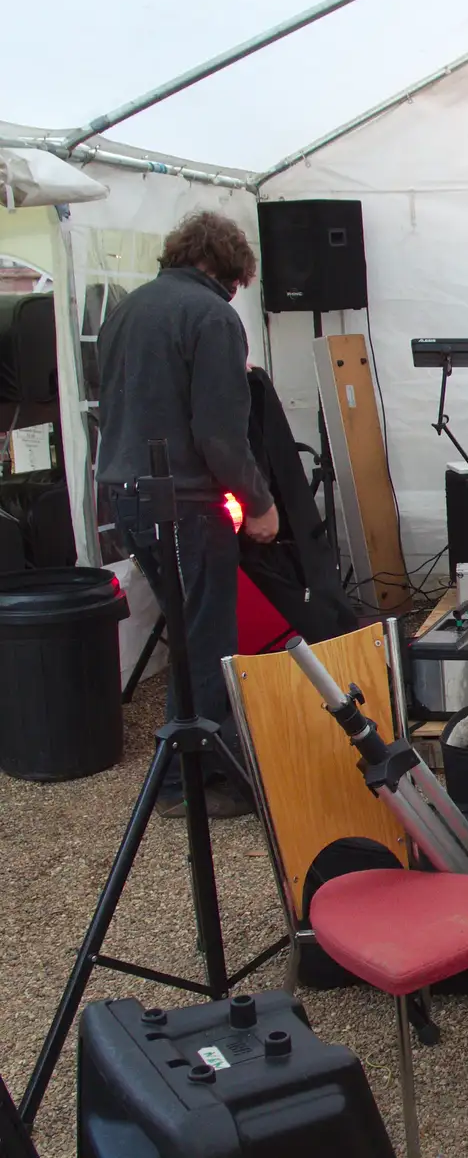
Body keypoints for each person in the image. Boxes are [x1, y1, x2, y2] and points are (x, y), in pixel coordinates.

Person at [97, 211, 279, 819]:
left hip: (127, 495)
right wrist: (259, 502)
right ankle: (191, 783)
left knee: (186, 632)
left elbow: (145, 393)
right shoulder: (211, 315)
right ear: (227, 269)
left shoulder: (127, 308)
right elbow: (220, 436)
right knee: (207, 640)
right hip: (183, 505)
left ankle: (186, 772)